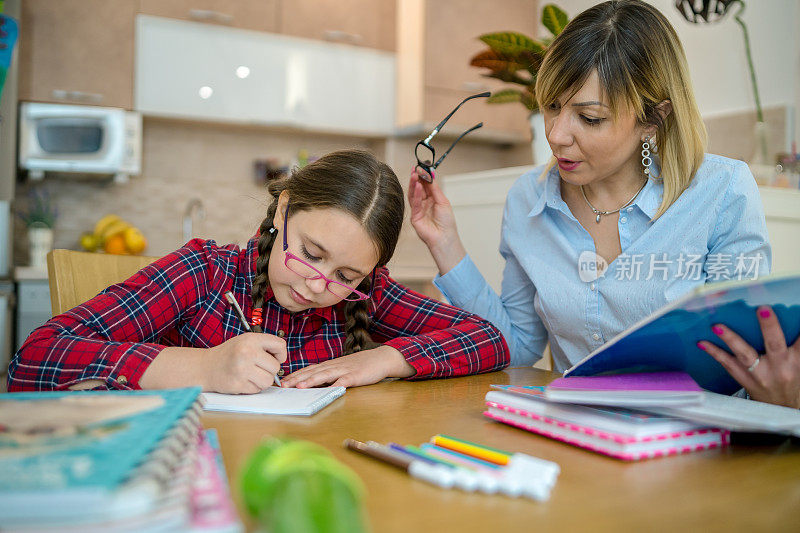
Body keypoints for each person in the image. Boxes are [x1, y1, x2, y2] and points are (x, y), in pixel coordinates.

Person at [408, 1, 799, 408]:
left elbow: (745, 365)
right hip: (579, 439)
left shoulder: (721, 193)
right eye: (552, 106)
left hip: (695, 445)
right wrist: (445, 245)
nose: (557, 135)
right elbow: (519, 346)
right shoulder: (528, 198)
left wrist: (779, 393)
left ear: (653, 119)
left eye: (590, 117)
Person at [9, 150, 509, 393]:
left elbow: (490, 338)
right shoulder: (202, 272)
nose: (319, 286)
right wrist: (201, 369)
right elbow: (33, 360)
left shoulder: (364, 294)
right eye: (311, 253)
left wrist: (383, 360)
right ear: (283, 209)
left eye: (347, 275)